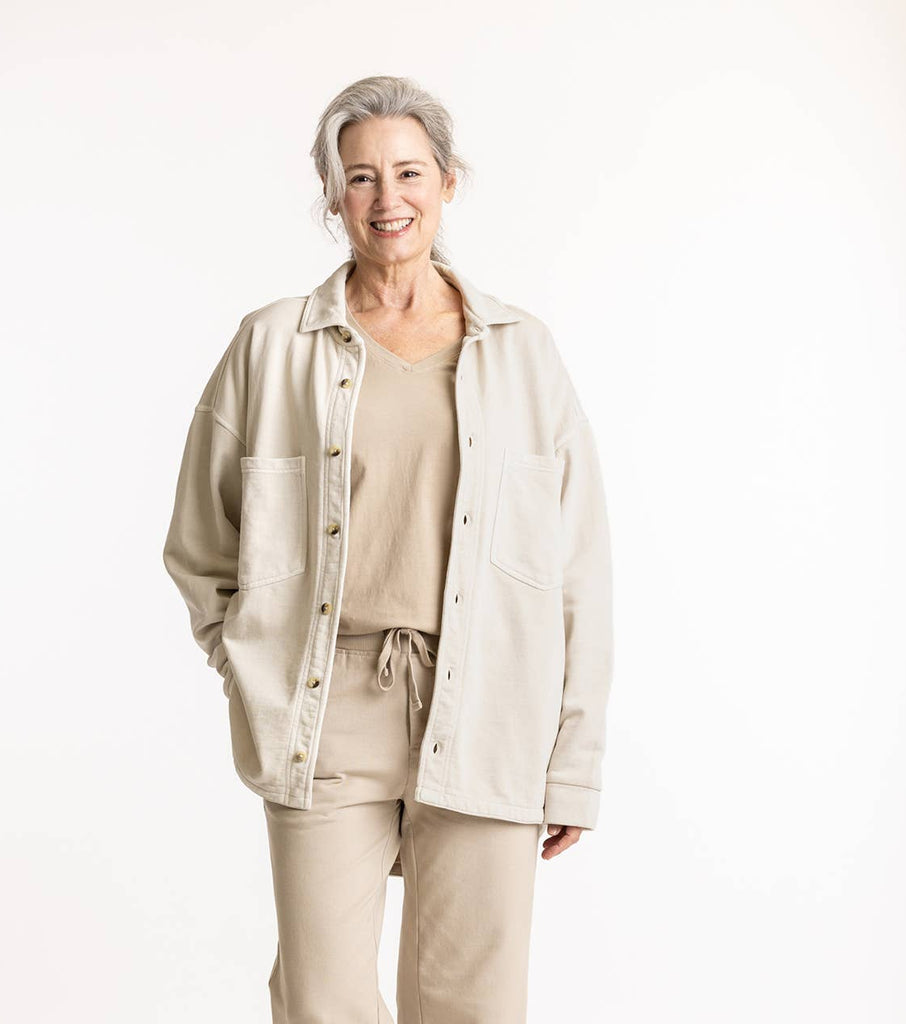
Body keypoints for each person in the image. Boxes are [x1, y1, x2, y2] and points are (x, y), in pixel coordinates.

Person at [162, 74, 614, 1024]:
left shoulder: (522, 352)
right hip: (324, 706)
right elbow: (202, 544)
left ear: (449, 182)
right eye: (360, 177)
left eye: (409, 172)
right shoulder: (273, 346)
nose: (386, 198)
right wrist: (250, 667)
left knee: (472, 1003)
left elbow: (578, 569)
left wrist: (572, 758)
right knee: (321, 999)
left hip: (491, 702)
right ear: (333, 195)